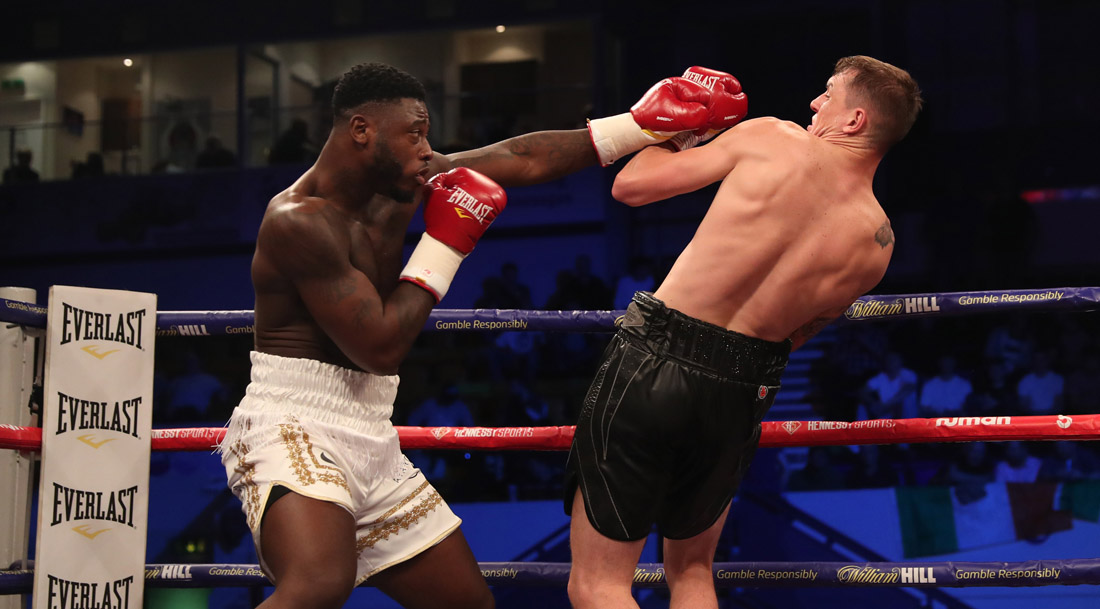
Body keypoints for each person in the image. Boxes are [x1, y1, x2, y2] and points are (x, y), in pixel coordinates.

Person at [217, 61, 738, 609]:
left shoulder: (402, 182)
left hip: (370, 428)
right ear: (362, 130)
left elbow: (520, 157)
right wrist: (445, 245)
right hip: (292, 423)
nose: (427, 149)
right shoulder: (298, 220)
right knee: (319, 584)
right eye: (415, 133)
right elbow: (379, 348)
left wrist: (640, 125)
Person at [564, 58, 922, 609]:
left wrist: (680, 131)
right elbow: (800, 332)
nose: (814, 104)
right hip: (743, 384)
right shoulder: (878, 242)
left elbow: (631, 187)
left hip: (657, 358)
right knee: (692, 573)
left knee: (599, 584)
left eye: (828, 95)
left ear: (854, 120)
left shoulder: (773, 137)